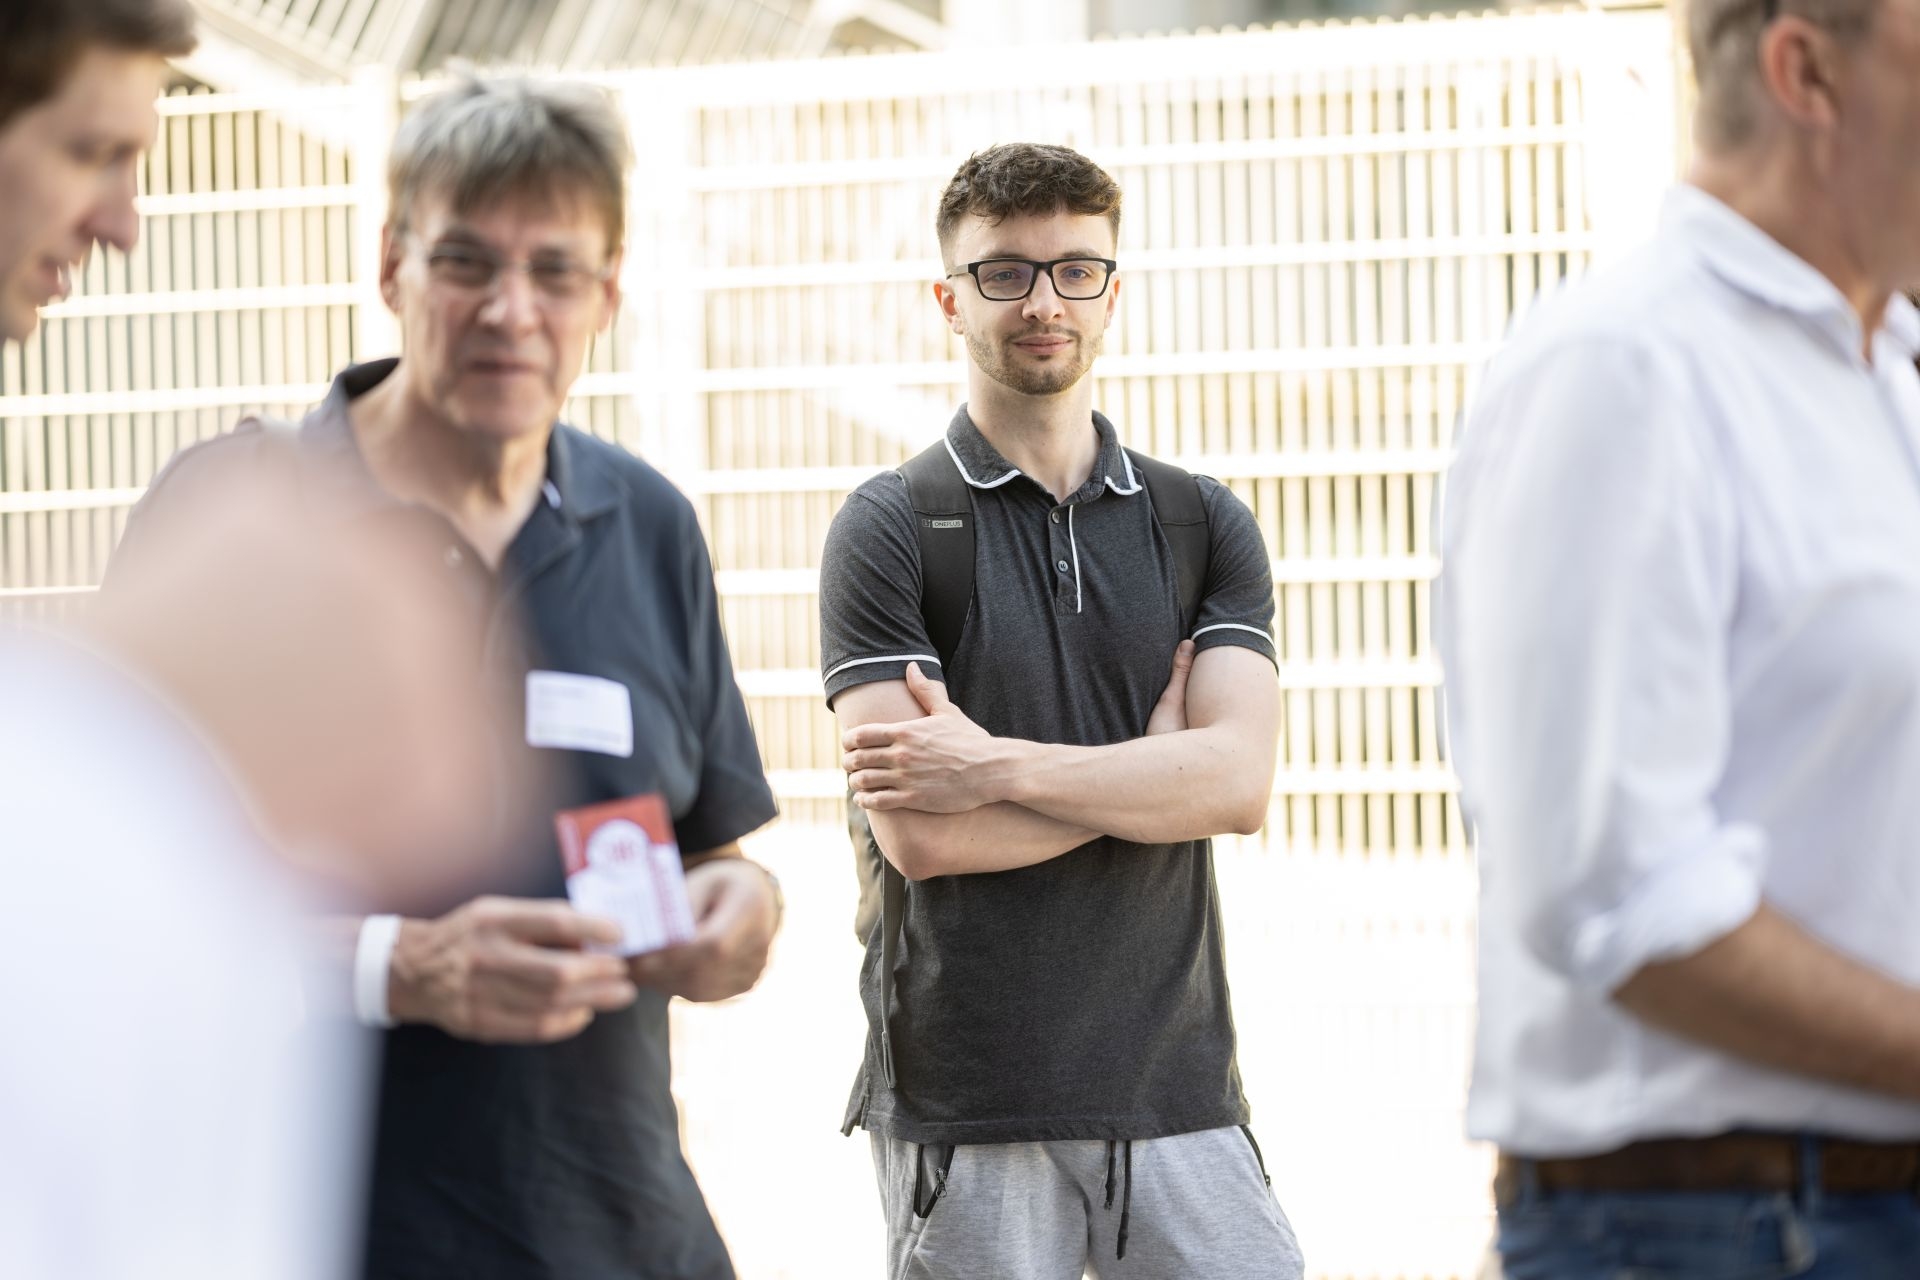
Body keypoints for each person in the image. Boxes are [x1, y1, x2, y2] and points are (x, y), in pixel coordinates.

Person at [107, 75, 783, 1280]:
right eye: (467, 261)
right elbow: (111, 908)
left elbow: (710, 851)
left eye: (556, 271)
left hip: (618, 1231)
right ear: (392, 266)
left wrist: (742, 910)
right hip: (321, 1235)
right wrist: (399, 970)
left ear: (608, 292)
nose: (510, 311)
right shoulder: (240, 515)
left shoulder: (648, 524)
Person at [1436, 0, 1920, 1274]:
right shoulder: (1625, 366)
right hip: (1720, 1228)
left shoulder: (1885, 376)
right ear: (1807, 70)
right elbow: (1620, 890)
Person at [818, 142, 1304, 1279]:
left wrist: (993, 768)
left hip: (1179, 1087)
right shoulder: (888, 528)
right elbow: (924, 834)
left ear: (1112, 292)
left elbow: (1236, 786)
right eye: (1005, 272)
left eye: (1076, 269)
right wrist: (1152, 776)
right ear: (950, 298)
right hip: (971, 1101)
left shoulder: (1200, 523)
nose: (1044, 301)